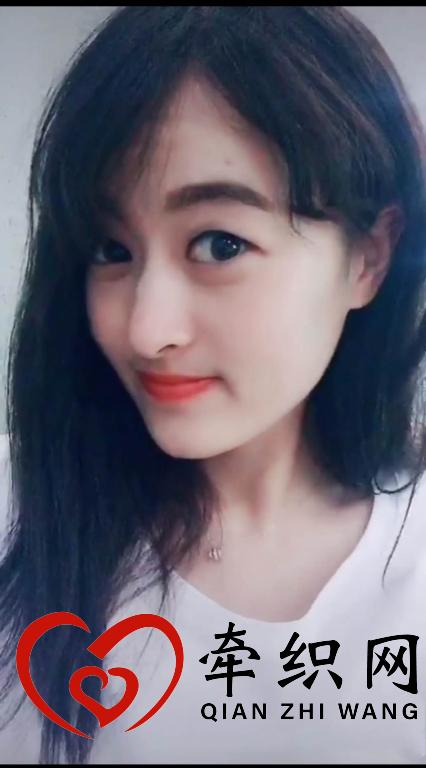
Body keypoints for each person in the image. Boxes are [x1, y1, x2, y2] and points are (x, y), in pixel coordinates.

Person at [0, 5, 426, 764]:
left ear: (368, 258)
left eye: (219, 244)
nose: (145, 330)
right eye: (111, 249)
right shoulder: (16, 508)